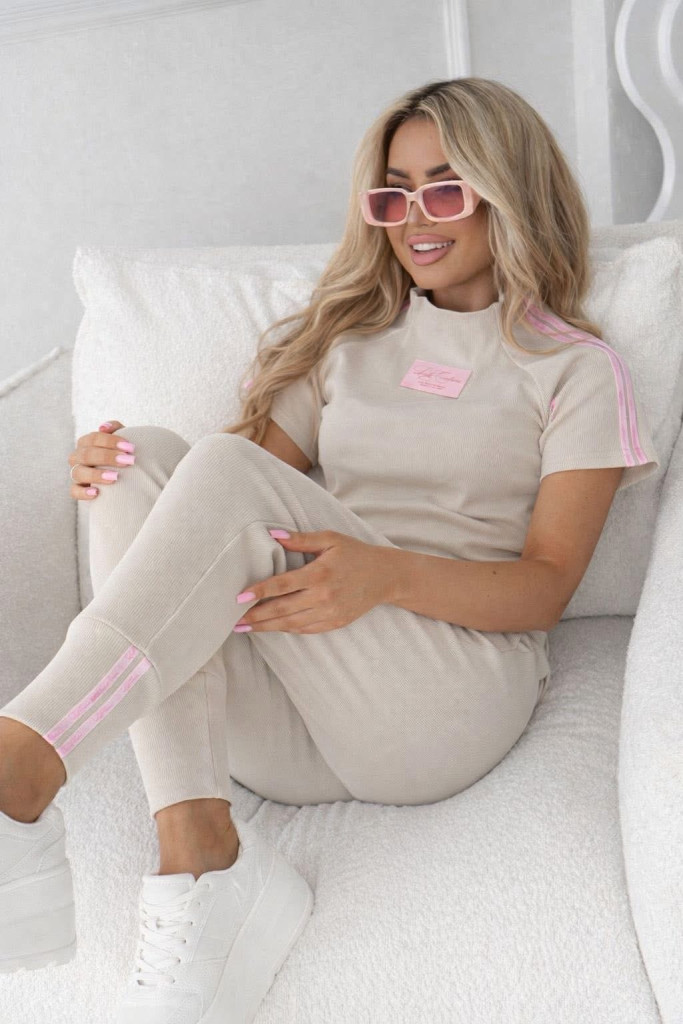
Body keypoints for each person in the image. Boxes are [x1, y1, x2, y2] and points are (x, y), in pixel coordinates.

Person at [0, 76, 659, 1021]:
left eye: (444, 188)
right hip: (290, 716)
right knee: (142, 460)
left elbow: (546, 588)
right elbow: (209, 523)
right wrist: (103, 467)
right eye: (393, 195)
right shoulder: (347, 343)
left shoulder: (574, 371)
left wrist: (386, 575)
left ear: (505, 191)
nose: (413, 219)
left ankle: (22, 762)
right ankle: (201, 856)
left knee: (220, 467)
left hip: (441, 700)